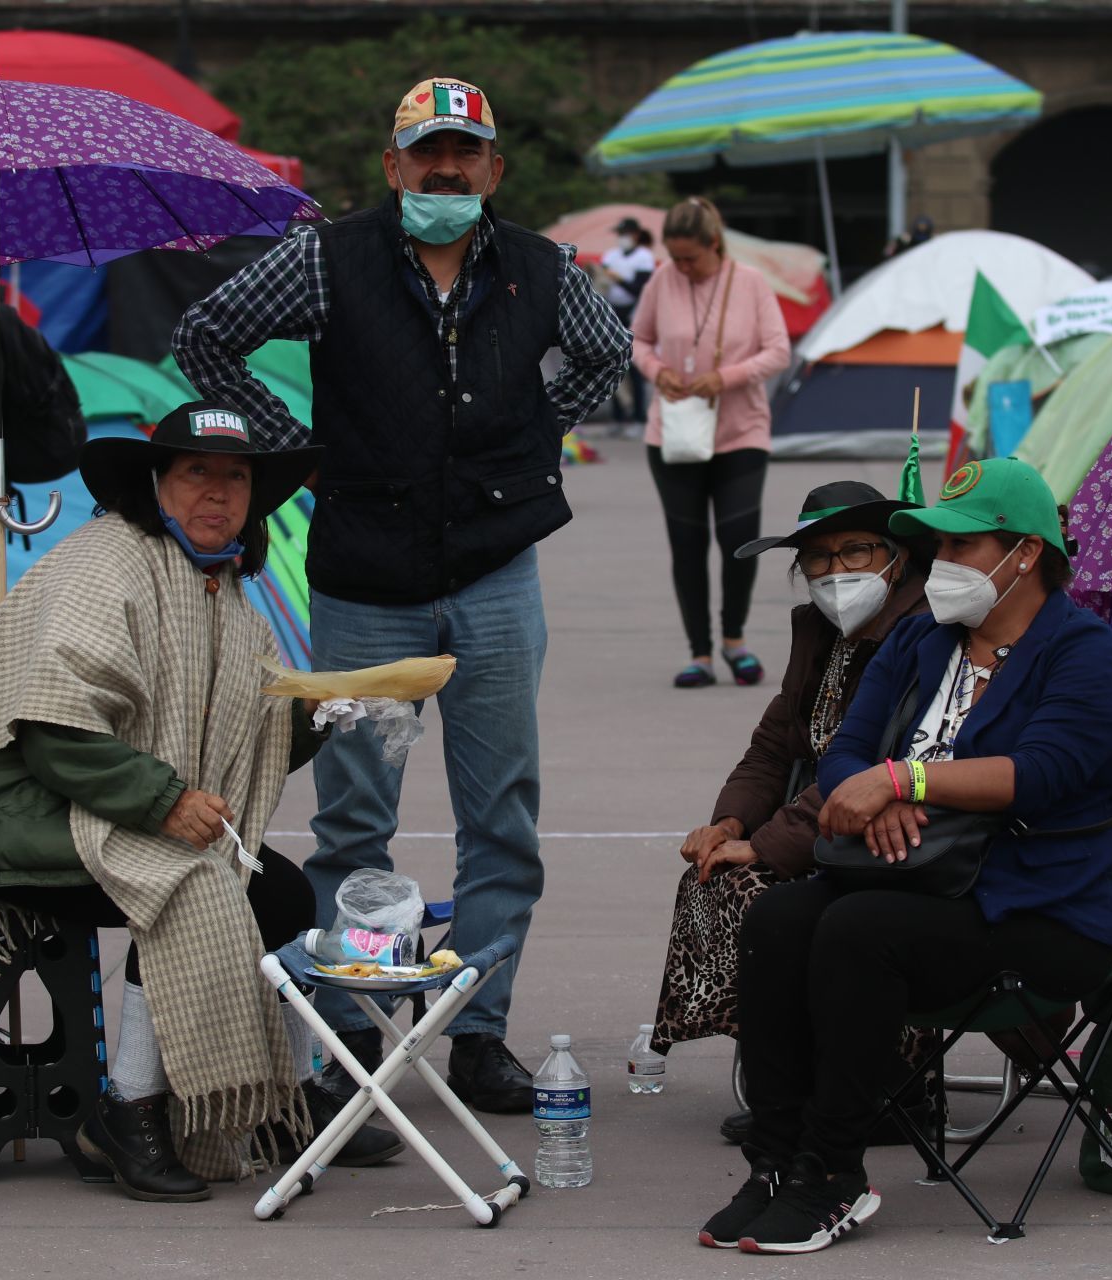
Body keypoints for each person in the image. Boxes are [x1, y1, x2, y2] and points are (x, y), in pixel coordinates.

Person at [173, 77, 632, 1114]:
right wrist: (292, 444)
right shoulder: (325, 258)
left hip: (496, 577)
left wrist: (533, 440)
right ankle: (348, 1034)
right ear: (392, 165)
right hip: (364, 582)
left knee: (503, 818)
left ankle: (477, 1029)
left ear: (493, 170)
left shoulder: (542, 269)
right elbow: (205, 338)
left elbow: (608, 353)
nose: (446, 168)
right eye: (428, 151)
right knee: (353, 821)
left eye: (466, 152)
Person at [0, 403, 403, 1206]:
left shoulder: (225, 596)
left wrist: (321, 711)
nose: (218, 493)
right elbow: (55, 732)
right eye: (197, 472)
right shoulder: (106, 563)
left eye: (236, 477)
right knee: (189, 879)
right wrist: (164, 800)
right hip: (8, 816)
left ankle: (281, 1102)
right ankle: (127, 1111)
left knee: (285, 892)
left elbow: (248, 739)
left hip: (105, 810)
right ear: (156, 483)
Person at [700, 458, 1112, 1254]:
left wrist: (905, 780)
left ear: (1026, 554)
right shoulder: (922, 639)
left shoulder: (1085, 653)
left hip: (1034, 911)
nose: (942, 566)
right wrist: (875, 796)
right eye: (935, 548)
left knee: (857, 930)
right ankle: (773, 1161)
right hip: (915, 875)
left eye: (963, 549)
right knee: (778, 915)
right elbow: (846, 756)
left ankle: (833, 1171)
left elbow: (1040, 774)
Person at [650, 481, 940, 1145]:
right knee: (714, 872)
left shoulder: (920, 635)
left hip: (890, 822)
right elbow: (773, 747)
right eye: (818, 559)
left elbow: (878, 763)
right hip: (817, 815)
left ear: (896, 558)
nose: (836, 572)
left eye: (856, 552)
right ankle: (786, 1074)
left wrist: (771, 844)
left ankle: (882, 1083)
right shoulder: (821, 632)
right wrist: (728, 824)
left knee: (765, 887)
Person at [632, 196, 793, 689]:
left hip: (740, 433)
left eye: (690, 259)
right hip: (674, 436)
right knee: (687, 544)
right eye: (675, 258)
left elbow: (779, 351)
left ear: (714, 244)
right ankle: (699, 653)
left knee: (737, 541)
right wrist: (658, 372)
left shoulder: (750, 283)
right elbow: (636, 340)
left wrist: (726, 377)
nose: (682, 268)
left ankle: (735, 642)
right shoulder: (662, 280)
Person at [598, 217, 658, 429]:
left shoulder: (644, 257)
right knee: (612, 366)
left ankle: (639, 417)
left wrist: (618, 279)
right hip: (612, 314)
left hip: (634, 315)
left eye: (625, 234)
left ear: (634, 235)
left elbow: (639, 289)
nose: (621, 239)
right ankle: (618, 417)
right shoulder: (610, 256)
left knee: (635, 368)